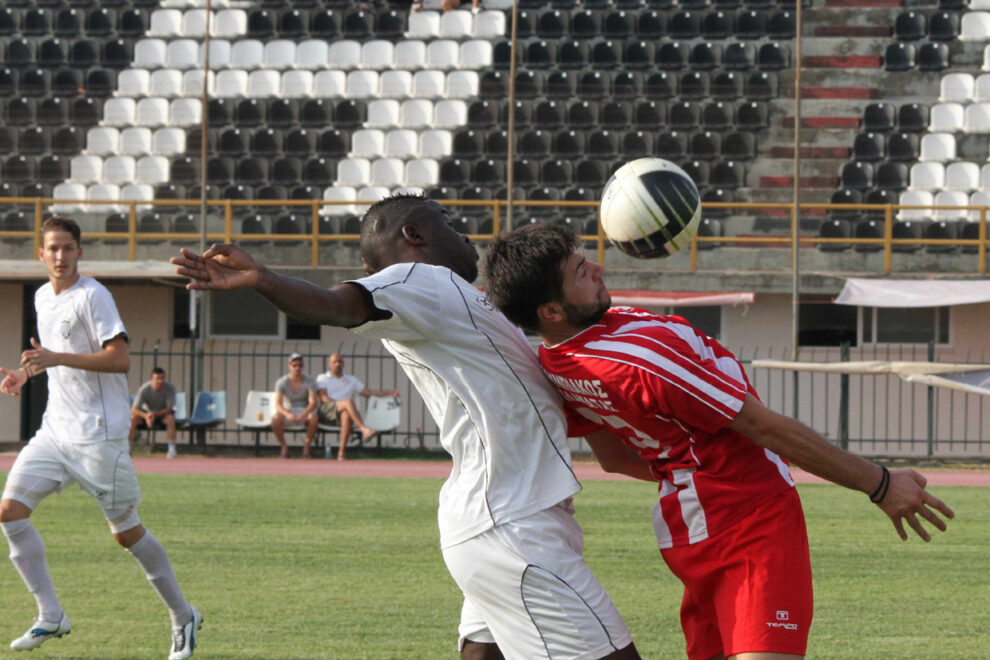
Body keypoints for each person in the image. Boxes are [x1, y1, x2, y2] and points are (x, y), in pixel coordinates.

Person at [172, 194, 640, 660]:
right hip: (512, 525)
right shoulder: (420, 280)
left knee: (484, 654)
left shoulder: (455, 301)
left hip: (498, 521)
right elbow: (340, 305)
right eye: (449, 223)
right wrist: (264, 279)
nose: (464, 235)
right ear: (414, 236)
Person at [484, 222, 956, 660]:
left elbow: (612, 457)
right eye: (581, 272)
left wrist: (685, 468)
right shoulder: (640, 358)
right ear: (551, 310)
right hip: (750, 519)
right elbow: (763, 427)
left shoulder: (557, 363)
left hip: (687, 527)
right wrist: (879, 483)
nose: (599, 270)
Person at [0, 217, 202, 659]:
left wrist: (54, 356)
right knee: (10, 512)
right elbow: (53, 358)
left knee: (126, 534)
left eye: (68, 248)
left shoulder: (94, 295)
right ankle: (50, 615)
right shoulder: (40, 296)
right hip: (55, 430)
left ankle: (183, 615)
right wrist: (26, 371)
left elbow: (120, 359)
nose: (60, 256)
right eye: (52, 248)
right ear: (41, 253)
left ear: (79, 251)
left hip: (99, 437)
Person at [315, 352, 399, 461]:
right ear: (330, 364)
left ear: (343, 363)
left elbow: (368, 392)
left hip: (343, 413)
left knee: (346, 414)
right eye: (334, 362)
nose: (337, 364)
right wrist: (341, 403)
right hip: (326, 412)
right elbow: (323, 398)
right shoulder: (322, 378)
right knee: (348, 402)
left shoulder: (351, 380)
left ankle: (341, 453)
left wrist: (389, 392)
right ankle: (364, 429)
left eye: (339, 361)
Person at [272, 352, 320, 459]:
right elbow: (278, 404)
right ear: (289, 366)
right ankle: (284, 447)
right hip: (289, 410)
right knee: (275, 419)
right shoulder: (282, 382)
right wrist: (287, 414)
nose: (297, 368)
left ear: (303, 366)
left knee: (313, 418)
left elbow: (313, 402)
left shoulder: (309, 381)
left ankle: (307, 447)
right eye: (295, 365)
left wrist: (304, 414)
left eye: (300, 365)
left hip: (304, 410)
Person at [129, 366, 180, 458]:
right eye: (157, 378)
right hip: (146, 416)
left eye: (162, 378)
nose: (160, 381)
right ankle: (128, 448)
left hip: (162, 416)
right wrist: (146, 416)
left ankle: (171, 449)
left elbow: (169, 408)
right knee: (133, 418)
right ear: (151, 379)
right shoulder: (144, 389)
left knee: (170, 418)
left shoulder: (170, 388)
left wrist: (154, 415)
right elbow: (134, 409)